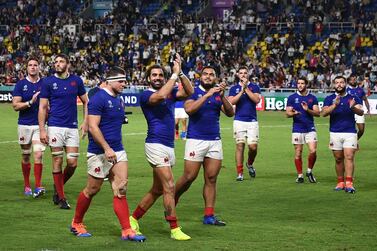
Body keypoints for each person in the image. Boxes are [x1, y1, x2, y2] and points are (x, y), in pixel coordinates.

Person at [70, 67, 145, 242]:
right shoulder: (98, 99)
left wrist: (113, 148)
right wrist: (106, 148)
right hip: (99, 152)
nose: (124, 84)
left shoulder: (119, 100)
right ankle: (76, 222)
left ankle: (127, 230)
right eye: (121, 81)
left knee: (121, 188)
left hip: (118, 150)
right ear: (110, 81)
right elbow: (93, 126)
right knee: (92, 189)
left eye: (125, 81)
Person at [129, 54, 193, 240]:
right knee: (169, 186)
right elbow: (161, 95)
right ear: (148, 79)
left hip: (169, 146)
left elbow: (188, 91)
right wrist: (173, 77)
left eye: (160, 75)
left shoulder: (170, 92)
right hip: (155, 144)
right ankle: (174, 228)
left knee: (157, 190)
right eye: (154, 75)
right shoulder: (146, 95)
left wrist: (180, 73)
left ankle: (133, 219)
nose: (157, 77)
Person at [174, 66, 234, 226]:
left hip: (215, 141)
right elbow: (189, 110)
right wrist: (207, 95)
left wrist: (222, 97)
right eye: (205, 74)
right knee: (189, 177)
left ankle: (209, 216)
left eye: (211, 75)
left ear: (215, 78)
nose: (208, 77)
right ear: (201, 76)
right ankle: (172, 199)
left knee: (211, 178)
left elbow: (230, 113)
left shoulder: (217, 94)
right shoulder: (192, 91)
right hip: (196, 140)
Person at [39, 53, 89, 209]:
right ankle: (61, 198)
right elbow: (42, 107)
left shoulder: (76, 81)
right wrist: (42, 130)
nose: (57, 64)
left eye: (61, 61)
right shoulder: (48, 82)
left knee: (72, 163)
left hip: (72, 127)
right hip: (54, 126)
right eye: (56, 62)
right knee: (57, 160)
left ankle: (58, 184)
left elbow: (87, 102)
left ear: (68, 64)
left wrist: (86, 121)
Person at [322, 76, 364, 193]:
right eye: (337, 83)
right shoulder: (329, 98)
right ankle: (340, 182)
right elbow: (323, 113)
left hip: (350, 132)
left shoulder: (353, 98)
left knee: (349, 157)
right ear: (334, 85)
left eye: (341, 82)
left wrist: (353, 108)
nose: (339, 85)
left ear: (345, 84)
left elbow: (361, 112)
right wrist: (334, 105)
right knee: (338, 159)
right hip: (334, 132)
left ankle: (349, 183)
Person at [12, 56, 46, 198]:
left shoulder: (45, 84)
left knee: (38, 153)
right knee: (26, 155)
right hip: (24, 125)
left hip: (40, 125)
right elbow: (15, 105)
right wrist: (30, 103)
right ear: (27, 68)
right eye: (30, 65)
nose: (33, 67)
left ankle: (38, 186)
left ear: (39, 67)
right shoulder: (21, 84)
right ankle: (27, 185)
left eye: (35, 65)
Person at [228, 67, 261, 181]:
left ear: (248, 74)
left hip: (252, 121)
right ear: (237, 75)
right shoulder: (234, 88)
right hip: (239, 121)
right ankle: (240, 173)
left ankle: (250, 163)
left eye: (245, 73)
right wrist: (241, 90)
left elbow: (257, 100)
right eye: (241, 73)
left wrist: (246, 89)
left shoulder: (255, 87)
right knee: (240, 146)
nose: (243, 75)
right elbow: (230, 102)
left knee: (253, 147)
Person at [286, 77, 320, 183]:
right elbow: (287, 113)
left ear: (306, 84)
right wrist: (294, 113)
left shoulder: (312, 98)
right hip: (297, 128)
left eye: (302, 83)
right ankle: (300, 175)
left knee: (313, 151)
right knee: (298, 153)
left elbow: (317, 113)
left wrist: (307, 110)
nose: (300, 85)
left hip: (310, 128)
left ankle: (309, 171)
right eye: (298, 83)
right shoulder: (292, 97)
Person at [346, 74, 370, 140]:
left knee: (361, 130)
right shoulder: (346, 90)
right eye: (352, 80)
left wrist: (368, 109)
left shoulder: (360, 90)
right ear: (349, 81)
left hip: (359, 112)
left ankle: (355, 141)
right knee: (350, 130)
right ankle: (351, 144)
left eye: (354, 79)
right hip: (350, 112)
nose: (353, 81)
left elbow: (365, 99)